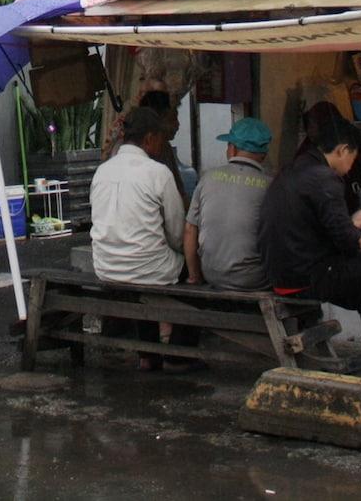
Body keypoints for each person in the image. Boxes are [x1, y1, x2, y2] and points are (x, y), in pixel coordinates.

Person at [261, 116, 361, 390]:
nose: (350, 170)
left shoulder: (294, 170)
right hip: (308, 278)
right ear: (342, 150)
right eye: (352, 159)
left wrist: (352, 226)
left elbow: (320, 231)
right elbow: (350, 243)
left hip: (287, 273)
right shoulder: (325, 178)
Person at [90, 106, 197, 369]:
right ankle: (179, 354)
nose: (163, 145)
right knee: (193, 272)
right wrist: (189, 258)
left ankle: (148, 356)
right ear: (149, 138)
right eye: (161, 139)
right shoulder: (157, 172)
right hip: (147, 268)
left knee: (148, 263)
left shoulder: (102, 171)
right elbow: (176, 233)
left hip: (105, 267)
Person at [183, 117, 273, 290]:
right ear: (264, 154)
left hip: (211, 274)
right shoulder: (270, 186)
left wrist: (194, 276)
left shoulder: (207, 178)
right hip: (253, 280)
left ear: (232, 149)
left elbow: (189, 230)